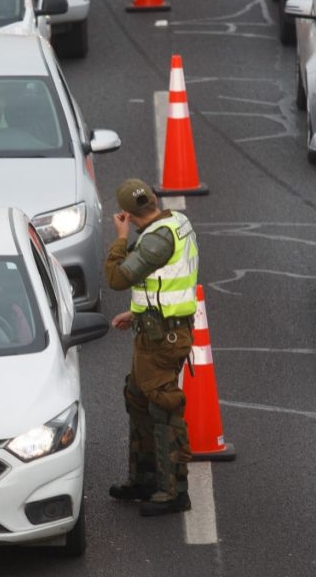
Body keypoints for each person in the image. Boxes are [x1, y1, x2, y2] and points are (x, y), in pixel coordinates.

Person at [104, 178, 198, 517]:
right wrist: (138, 312)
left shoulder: (156, 240)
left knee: (162, 406)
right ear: (154, 200)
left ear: (127, 214)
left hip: (164, 337)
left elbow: (117, 278)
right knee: (138, 397)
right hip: (156, 327)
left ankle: (174, 490)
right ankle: (144, 478)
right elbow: (166, 281)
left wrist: (119, 238)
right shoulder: (176, 222)